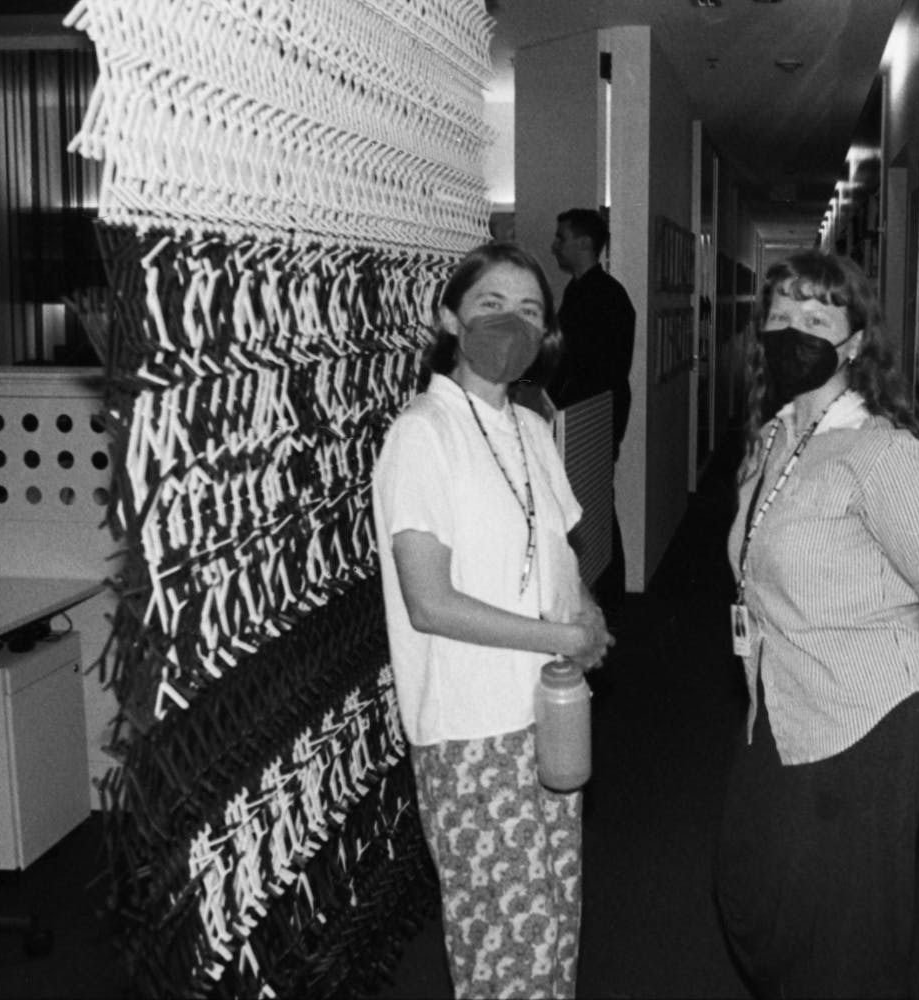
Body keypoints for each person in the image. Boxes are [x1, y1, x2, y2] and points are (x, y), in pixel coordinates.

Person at [714, 250, 919, 998]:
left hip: (867, 723)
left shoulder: (885, 454)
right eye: (780, 316)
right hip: (784, 702)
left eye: (816, 318)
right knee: (751, 886)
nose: (791, 331)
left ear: (855, 343)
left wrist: (914, 706)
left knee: (844, 937)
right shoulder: (773, 441)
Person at [371, 241, 613, 999]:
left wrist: (586, 615)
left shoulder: (532, 428)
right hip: (471, 727)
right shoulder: (421, 434)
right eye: (491, 306)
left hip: (546, 711)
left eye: (531, 311)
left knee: (550, 921)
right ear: (450, 319)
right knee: (501, 942)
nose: (512, 323)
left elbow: (561, 556)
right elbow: (428, 601)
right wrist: (561, 636)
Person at [549, 208, 636, 618]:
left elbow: (582, 364)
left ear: (584, 243)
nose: (555, 244)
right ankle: (603, 591)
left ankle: (605, 593)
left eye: (562, 237)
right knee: (592, 499)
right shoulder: (582, 291)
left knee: (593, 499)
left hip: (593, 415)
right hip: (588, 412)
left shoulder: (603, 296)